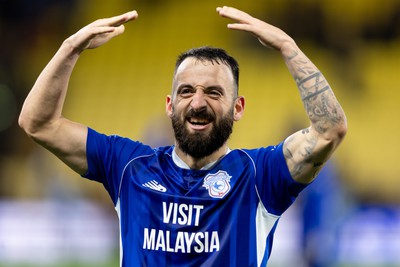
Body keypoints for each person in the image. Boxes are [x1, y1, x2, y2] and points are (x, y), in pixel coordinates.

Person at [18, 6, 347, 267]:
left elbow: (329, 129)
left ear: (238, 108)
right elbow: (38, 122)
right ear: (170, 104)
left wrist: (289, 48)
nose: (198, 102)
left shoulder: (260, 175)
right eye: (186, 91)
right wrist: (69, 49)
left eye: (214, 93)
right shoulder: (129, 166)